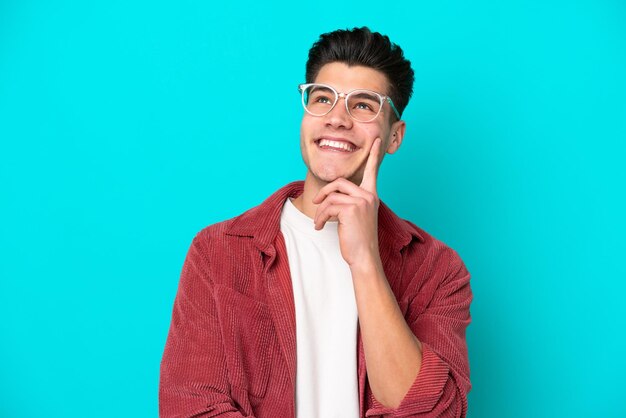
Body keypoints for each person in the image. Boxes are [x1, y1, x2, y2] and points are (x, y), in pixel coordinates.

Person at [159, 27, 472, 418]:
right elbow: (191, 406)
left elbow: (432, 412)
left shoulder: (437, 270)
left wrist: (366, 260)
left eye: (363, 105)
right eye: (322, 99)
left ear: (395, 137)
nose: (337, 119)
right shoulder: (218, 250)